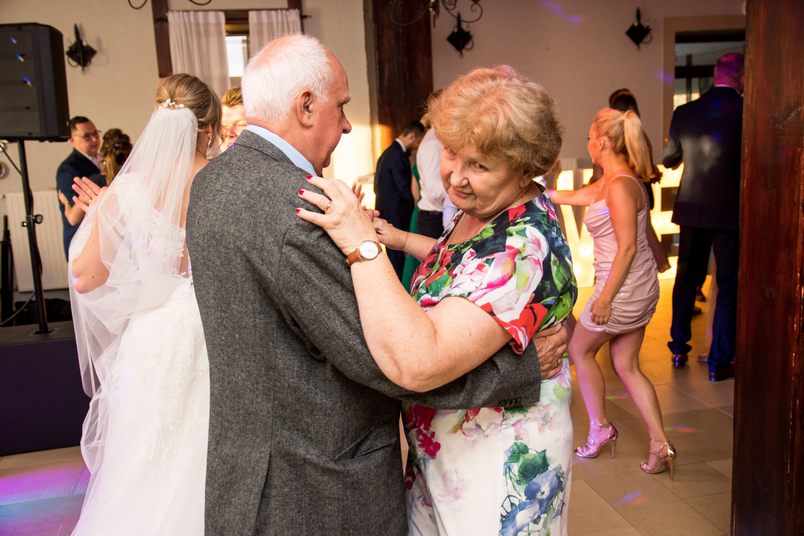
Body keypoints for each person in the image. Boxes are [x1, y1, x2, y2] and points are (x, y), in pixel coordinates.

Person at [187, 35, 567, 535]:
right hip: (315, 475)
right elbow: (387, 359)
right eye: (342, 106)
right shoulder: (303, 209)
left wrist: (368, 245)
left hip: (479, 457)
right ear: (306, 105)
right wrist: (519, 369)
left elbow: (409, 351)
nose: (348, 124)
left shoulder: (214, 180)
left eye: (478, 163)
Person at [299, 65, 578, 535]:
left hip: (496, 461)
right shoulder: (484, 210)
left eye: (479, 166)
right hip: (448, 449)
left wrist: (361, 246)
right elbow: (462, 263)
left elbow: (420, 362)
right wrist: (396, 238)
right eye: (451, 153)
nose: (455, 177)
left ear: (525, 168)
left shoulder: (520, 244)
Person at [68, 74, 220, 535]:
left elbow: (86, 277)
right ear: (208, 129)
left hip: (153, 335)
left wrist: (105, 218)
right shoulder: (224, 181)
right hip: (213, 328)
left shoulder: (129, 190)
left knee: (144, 457)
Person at [548, 108, 677, 480]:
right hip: (637, 287)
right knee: (626, 364)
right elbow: (575, 196)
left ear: (602, 142)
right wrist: (539, 191)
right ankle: (660, 444)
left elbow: (628, 248)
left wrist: (604, 299)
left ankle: (601, 428)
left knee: (579, 350)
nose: (588, 143)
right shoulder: (613, 181)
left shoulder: (620, 186)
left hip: (623, 290)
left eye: (590, 137)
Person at [663, 52, 744, 380]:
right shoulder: (747, 111)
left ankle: (679, 348)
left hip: (692, 207)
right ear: (742, 76)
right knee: (727, 285)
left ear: (715, 73)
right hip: (729, 210)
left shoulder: (685, 112)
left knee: (686, 278)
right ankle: (719, 361)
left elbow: (670, 159)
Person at [607, 88, 670, 274]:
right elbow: (646, 168)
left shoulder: (614, 140)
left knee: (623, 243)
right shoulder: (641, 137)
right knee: (639, 240)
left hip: (623, 196)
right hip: (642, 194)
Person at [373, 120, 426, 279]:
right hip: (396, 213)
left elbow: (376, 186)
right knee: (398, 258)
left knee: (394, 255)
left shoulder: (388, 152)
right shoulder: (397, 155)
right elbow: (404, 188)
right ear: (411, 136)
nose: (417, 147)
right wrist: (415, 204)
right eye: (418, 142)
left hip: (387, 210)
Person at [56, 116, 106, 257]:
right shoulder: (68, 169)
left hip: (103, 238)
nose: (95, 139)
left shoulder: (104, 160)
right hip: (83, 242)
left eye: (95, 133)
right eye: (87, 136)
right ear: (72, 140)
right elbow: (74, 214)